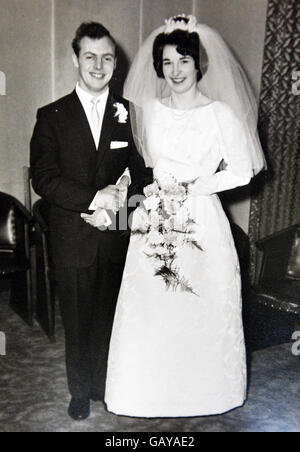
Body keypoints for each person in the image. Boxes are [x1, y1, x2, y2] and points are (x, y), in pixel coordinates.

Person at [102, 15, 266, 417]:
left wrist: (196, 187)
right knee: (155, 306)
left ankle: (205, 392)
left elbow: (243, 169)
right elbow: (135, 164)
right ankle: (146, 392)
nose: (175, 71)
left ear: (198, 65)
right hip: (156, 214)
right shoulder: (147, 112)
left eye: (184, 62)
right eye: (168, 63)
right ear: (159, 66)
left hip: (202, 218)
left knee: (199, 304)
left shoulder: (221, 114)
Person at [30, 22, 151, 421]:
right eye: (90, 56)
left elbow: (142, 173)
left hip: (114, 234)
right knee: (78, 320)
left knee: (107, 316)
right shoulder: (51, 116)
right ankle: (79, 391)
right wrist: (93, 199)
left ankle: (102, 385)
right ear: (75, 59)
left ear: (115, 63)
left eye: (107, 57)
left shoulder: (129, 114)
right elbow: (43, 179)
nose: (98, 65)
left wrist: (117, 213)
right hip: (72, 236)